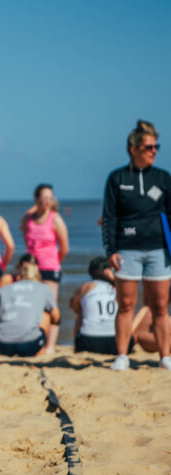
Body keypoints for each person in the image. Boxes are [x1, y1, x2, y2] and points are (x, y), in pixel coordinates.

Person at [103, 120, 171, 371]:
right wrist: (110, 251)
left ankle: (165, 357)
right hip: (127, 249)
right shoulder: (117, 178)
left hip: (158, 250)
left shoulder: (163, 178)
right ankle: (122, 355)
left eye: (156, 147)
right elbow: (109, 217)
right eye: (148, 147)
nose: (154, 151)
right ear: (133, 149)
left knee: (161, 306)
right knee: (126, 305)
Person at [21, 183, 69, 353]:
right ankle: (35, 341)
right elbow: (23, 229)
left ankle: (50, 345)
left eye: (50, 198)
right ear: (37, 199)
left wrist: (55, 262)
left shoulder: (55, 218)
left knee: (50, 306)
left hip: (50, 267)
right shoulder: (29, 218)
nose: (47, 201)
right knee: (32, 306)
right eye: (44, 198)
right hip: (32, 269)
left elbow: (65, 247)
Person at [0, 254, 60, 357]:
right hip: (28, 343)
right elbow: (56, 317)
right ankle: (41, 350)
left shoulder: (6, 288)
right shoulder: (43, 288)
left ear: (19, 269)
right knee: (46, 314)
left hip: (0, 342)